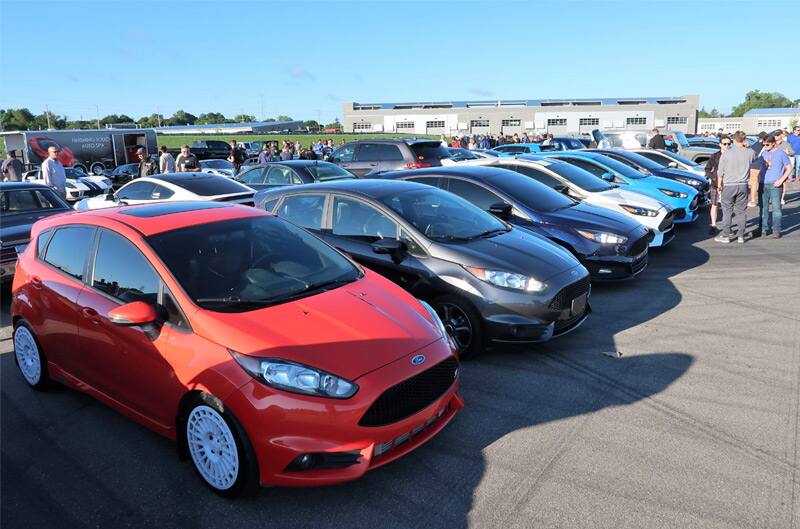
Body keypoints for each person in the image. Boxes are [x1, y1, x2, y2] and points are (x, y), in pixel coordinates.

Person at [715, 131, 755, 244]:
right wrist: (747, 146)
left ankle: (726, 235)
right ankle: (741, 236)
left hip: (729, 185)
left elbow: (720, 172)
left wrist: (719, 185)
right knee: (741, 211)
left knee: (727, 211)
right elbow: (755, 158)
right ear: (744, 140)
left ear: (734, 140)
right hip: (743, 185)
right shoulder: (750, 152)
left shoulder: (726, 154)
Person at [760, 134, 794, 238]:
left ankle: (776, 230)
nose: (765, 146)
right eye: (764, 144)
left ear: (774, 143)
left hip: (775, 184)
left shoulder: (781, 153)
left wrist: (781, 180)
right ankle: (764, 229)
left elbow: (789, 167)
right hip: (763, 184)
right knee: (763, 209)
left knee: (776, 208)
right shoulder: (764, 153)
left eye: (767, 144)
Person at [704, 136, 730, 234]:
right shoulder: (715, 156)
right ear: (720, 145)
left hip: (728, 184)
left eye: (729, 144)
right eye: (724, 144)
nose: (727, 146)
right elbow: (707, 169)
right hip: (715, 184)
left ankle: (727, 226)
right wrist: (714, 177)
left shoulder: (732, 155)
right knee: (714, 204)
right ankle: (713, 225)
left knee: (727, 206)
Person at [772, 130, 795, 205]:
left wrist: (788, 153)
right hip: (773, 165)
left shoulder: (786, 144)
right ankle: (773, 197)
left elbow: (792, 152)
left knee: (783, 182)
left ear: (781, 135)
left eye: (777, 135)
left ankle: (781, 198)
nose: (775, 136)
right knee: (773, 181)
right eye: (775, 135)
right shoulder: (772, 143)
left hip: (783, 166)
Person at [748, 132, 767, 208]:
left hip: (754, 166)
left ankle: (753, 201)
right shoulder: (766, 145)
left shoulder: (755, 145)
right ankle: (762, 199)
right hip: (763, 166)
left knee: (753, 184)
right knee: (760, 184)